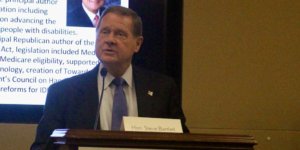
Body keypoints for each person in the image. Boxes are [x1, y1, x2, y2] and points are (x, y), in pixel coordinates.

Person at [31, 6, 189, 150]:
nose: (110, 40)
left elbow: (183, 143)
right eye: (105, 32)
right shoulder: (63, 93)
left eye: (120, 34)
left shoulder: (163, 89)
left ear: (138, 44)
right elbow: (41, 147)